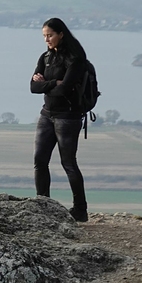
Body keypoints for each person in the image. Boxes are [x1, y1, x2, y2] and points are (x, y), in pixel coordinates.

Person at [31, 17, 89, 222]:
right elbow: (32, 87)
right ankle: (43, 206)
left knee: (68, 164)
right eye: (44, 36)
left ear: (61, 34)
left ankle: (80, 210)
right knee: (39, 161)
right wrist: (54, 81)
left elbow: (65, 89)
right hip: (47, 114)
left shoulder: (75, 59)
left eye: (50, 35)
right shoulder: (45, 57)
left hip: (68, 117)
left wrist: (46, 83)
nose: (47, 39)